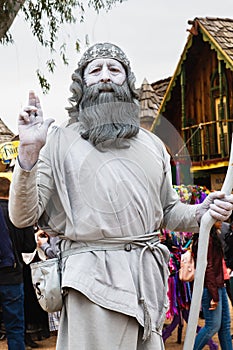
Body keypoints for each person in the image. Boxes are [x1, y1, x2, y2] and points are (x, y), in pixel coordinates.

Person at [8, 42, 233, 350]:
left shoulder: (153, 146)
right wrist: (29, 154)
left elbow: (167, 212)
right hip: (91, 285)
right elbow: (23, 216)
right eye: (95, 70)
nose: (105, 76)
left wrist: (201, 212)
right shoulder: (60, 141)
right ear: (81, 83)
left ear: (126, 82)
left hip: (146, 282)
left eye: (114, 70)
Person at [0, 177, 36, 350]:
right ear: (10, 192)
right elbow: (29, 246)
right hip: (12, 276)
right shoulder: (17, 214)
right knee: (15, 328)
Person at [192, 221, 233, 350]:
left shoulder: (213, 237)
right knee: (212, 325)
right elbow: (207, 268)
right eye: (218, 220)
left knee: (225, 325)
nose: (221, 222)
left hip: (218, 285)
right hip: (211, 287)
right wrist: (214, 295)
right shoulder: (206, 239)